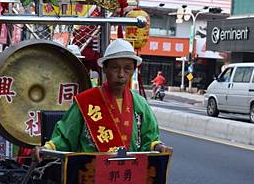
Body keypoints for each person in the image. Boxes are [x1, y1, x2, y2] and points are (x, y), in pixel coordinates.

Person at [34, 39, 173, 159]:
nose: (121, 74)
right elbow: (65, 136)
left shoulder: (140, 104)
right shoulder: (86, 101)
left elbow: (150, 139)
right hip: (90, 176)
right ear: (104, 69)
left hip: (128, 177)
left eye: (127, 69)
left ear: (133, 71)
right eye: (115, 68)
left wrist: (158, 146)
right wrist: (47, 148)